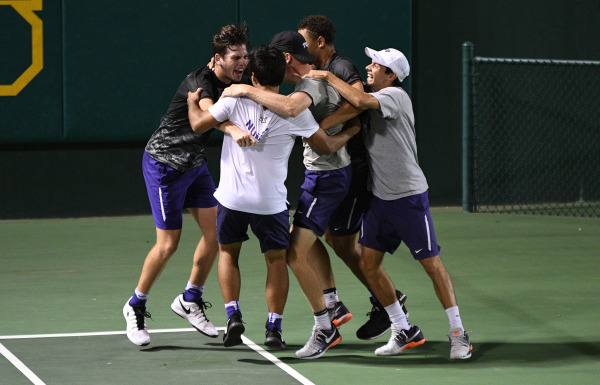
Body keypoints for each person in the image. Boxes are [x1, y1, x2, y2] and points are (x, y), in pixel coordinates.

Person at [187, 44, 358, 351]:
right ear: (282, 77)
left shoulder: (234, 99)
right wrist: (351, 130)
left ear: (252, 76)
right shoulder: (296, 111)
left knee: (228, 254)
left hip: (232, 199)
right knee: (276, 261)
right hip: (271, 204)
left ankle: (233, 315)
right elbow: (326, 146)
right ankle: (274, 328)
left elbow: (198, 123)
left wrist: (194, 101)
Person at [306, 47, 473, 360]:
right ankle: (402, 328)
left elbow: (359, 101)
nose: (368, 68)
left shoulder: (395, 96)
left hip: (408, 197)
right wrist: (318, 126)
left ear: (391, 75)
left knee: (432, 265)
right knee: (369, 264)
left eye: (376, 65)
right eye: (370, 62)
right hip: (379, 199)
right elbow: (351, 109)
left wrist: (327, 74)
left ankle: (458, 333)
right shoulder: (372, 97)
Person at [122, 23, 250, 347]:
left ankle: (190, 299)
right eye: (235, 57)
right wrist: (234, 130)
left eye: (245, 56)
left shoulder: (238, 79)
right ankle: (135, 305)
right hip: (164, 166)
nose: (242, 62)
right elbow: (207, 114)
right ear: (217, 58)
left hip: (194, 165)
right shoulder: (200, 82)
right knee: (167, 245)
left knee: (216, 233)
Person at [297, 15, 409, 340]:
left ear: (320, 42)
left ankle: (388, 302)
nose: (301, 48)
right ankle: (349, 302)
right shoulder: (319, 70)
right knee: (328, 237)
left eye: (305, 42)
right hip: (336, 166)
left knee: (341, 242)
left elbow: (358, 103)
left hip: (354, 169)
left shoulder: (342, 66)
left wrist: (323, 126)